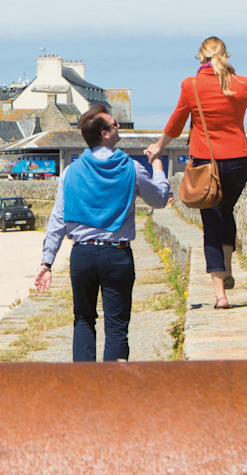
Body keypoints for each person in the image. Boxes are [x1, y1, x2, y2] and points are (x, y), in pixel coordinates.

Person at [146, 37, 247, 309]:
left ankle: (220, 294)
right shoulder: (242, 83)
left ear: (200, 58)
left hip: (207, 163)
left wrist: (158, 147)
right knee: (226, 210)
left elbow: (175, 124)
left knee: (211, 221)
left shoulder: (191, 85)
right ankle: (228, 268)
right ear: (225, 55)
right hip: (239, 162)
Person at [34, 103, 172, 361]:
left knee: (83, 319)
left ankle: (85, 388)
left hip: (82, 256)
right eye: (114, 124)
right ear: (105, 134)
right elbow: (160, 199)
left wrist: (47, 261)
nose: (118, 126)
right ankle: (113, 390)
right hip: (116, 255)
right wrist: (158, 166)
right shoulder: (131, 167)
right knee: (117, 325)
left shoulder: (70, 172)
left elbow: (58, 218)